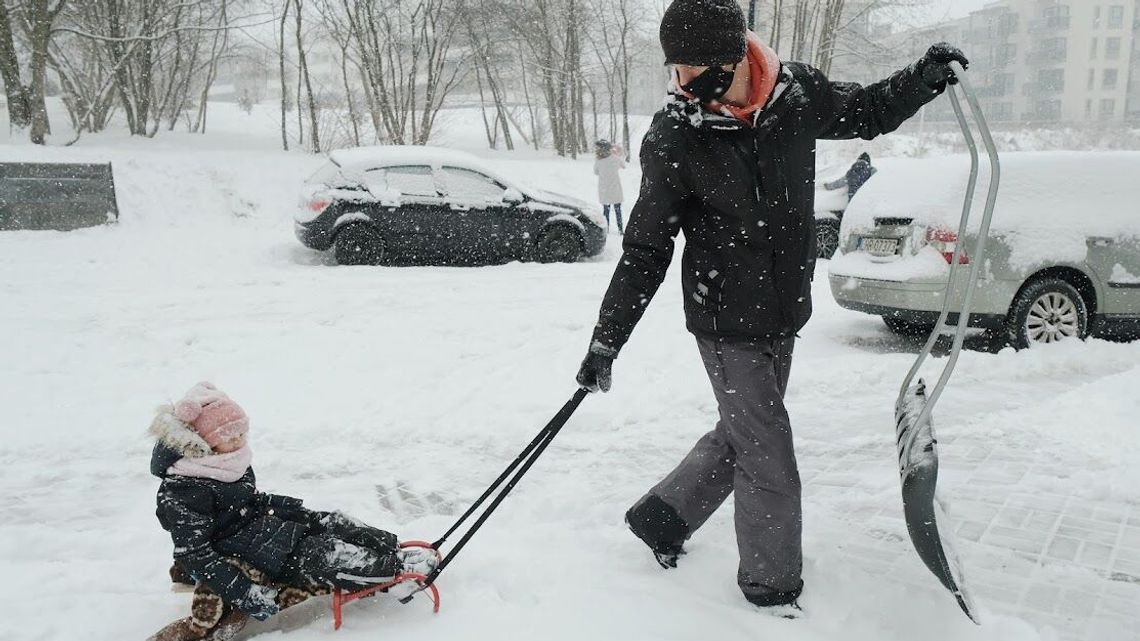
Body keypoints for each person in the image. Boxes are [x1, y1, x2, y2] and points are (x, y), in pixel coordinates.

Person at [574, 0, 967, 613]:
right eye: (675, 68)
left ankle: (662, 517)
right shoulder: (676, 135)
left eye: (690, 67)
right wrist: (608, 338)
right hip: (723, 319)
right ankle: (771, 589)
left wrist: (921, 79)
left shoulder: (795, 95)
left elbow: (865, 110)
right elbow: (646, 249)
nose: (680, 81)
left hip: (784, 308)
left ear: (729, 59)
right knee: (768, 455)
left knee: (744, 434)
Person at [148, 382, 438, 640]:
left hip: (257, 528)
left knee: (331, 521)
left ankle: (392, 549)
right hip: (237, 549)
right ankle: (395, 571)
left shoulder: (225, 460)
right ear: (206, 442)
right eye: (230, 436)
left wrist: (289, 508)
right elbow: (194, 553)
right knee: (321, 554)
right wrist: (246, 594)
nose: (239, 442)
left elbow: (246, 500)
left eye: (242, 433)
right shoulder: (183, 490)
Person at [593, 138, 627, 233]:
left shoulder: (598, 161)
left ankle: (606, 229)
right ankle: (620, 229)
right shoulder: (615, 158)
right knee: (618, 210)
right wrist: (618, 153)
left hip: (604, 189)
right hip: (615, 189)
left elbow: (596, 172)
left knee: (606, 211)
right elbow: (623, 165)